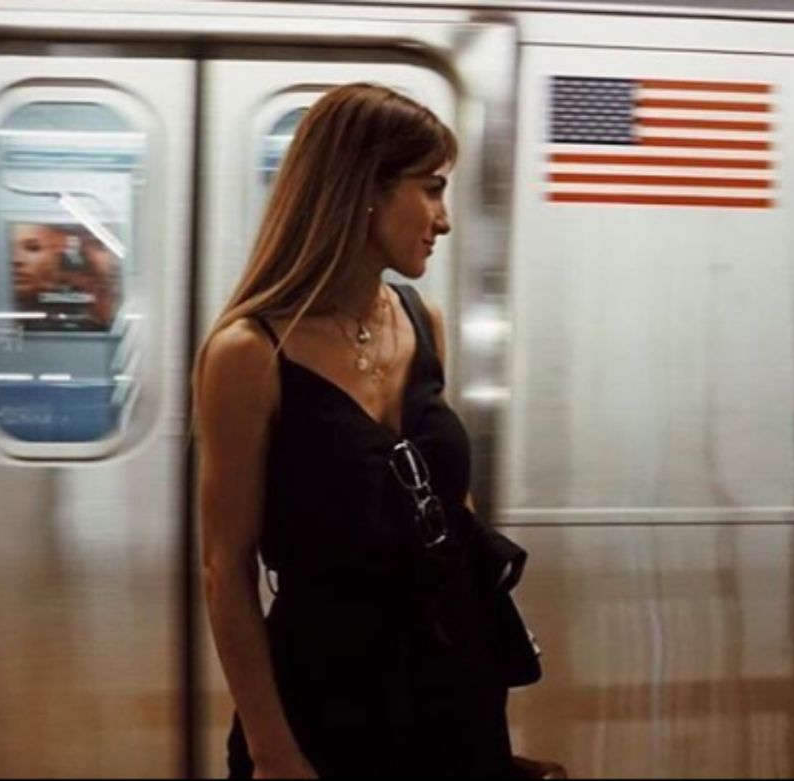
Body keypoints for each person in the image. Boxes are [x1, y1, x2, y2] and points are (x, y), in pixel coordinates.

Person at [195, 83, 556, 779]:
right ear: (364, 189)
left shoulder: (423, 322)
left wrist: (482, 685)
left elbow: (452, 510)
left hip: (452, 690)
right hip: (328, 698)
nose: (443, 220)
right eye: (432, 188)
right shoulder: (249, 353)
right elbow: (225, 569)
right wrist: (274, 751)